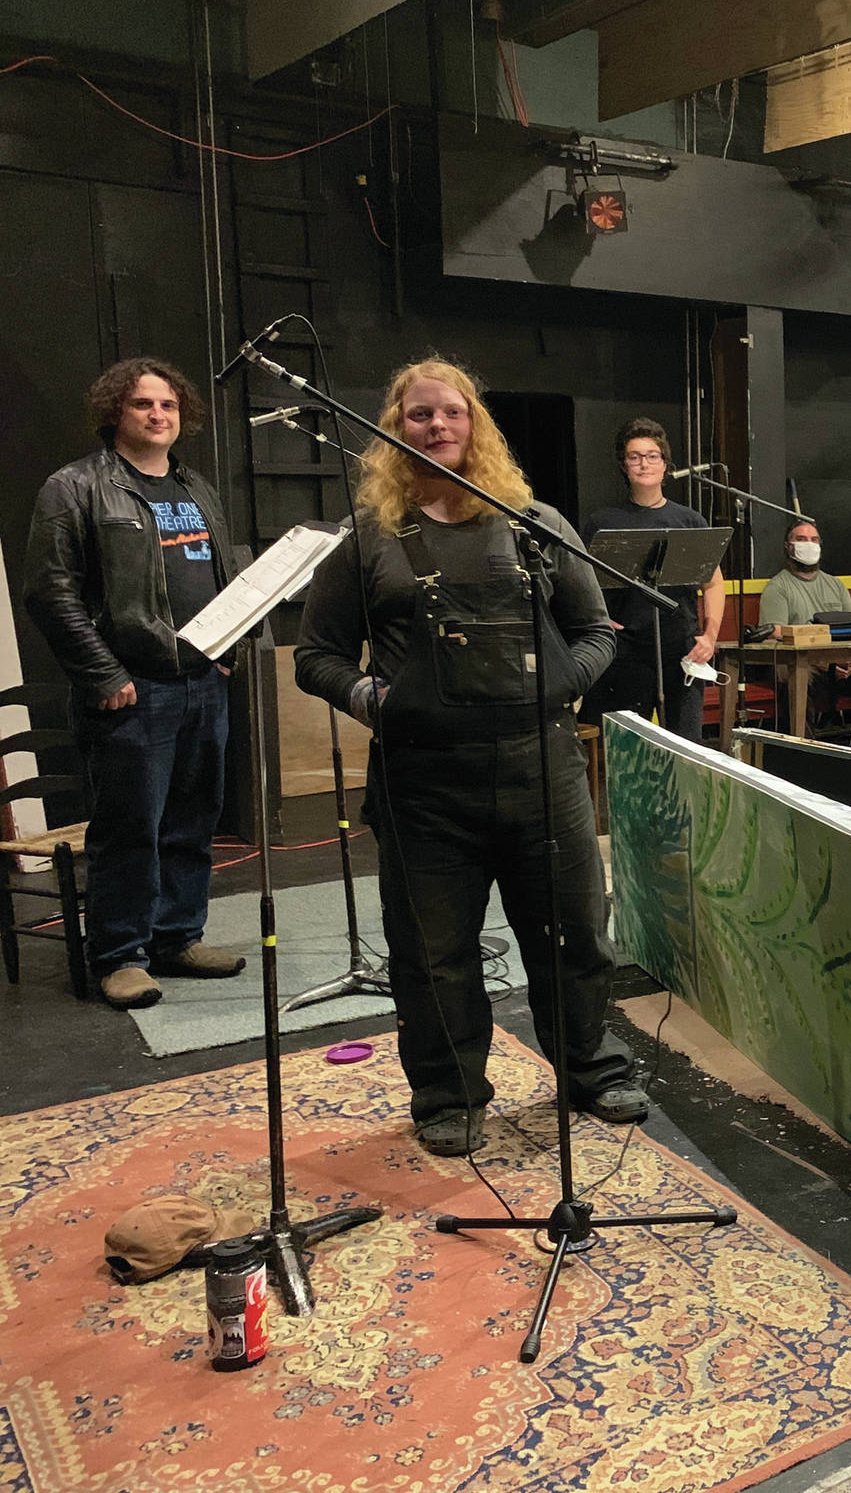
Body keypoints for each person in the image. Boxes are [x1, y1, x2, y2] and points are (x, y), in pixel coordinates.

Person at [294, 359, 646, 1157]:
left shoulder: (534, 522)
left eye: (451, 413)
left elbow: (596, 634)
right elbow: (315, 655)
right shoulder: (368, 540)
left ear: (474, 423)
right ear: (395, 428)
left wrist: (565, 685)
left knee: (575, 936)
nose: (436, 427)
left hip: (543, 771)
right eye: (419, 415)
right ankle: (449, 1093)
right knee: (432, 953)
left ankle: (592, 1069)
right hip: (423, 785)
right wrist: (371, 700)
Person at [24, 358, 246, 1010]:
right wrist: (102, 673)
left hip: (201, 683)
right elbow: (50, 592)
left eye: (169, 405)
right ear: (115, 411)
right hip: (130, 691)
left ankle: (176, 937)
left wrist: (224, 648)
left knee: (192, 821)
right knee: (129, 828)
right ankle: (119, 956)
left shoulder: (195, 487)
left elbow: (220, 574)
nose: (158, 415)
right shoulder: (75, 487)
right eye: (143, 404)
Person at [578, 418, 726, 740]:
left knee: (688, 748)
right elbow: (578, 582)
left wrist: (710, 636)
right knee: (627, 750)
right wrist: (598, 620)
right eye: (634, 456)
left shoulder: (690, 520)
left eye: (652, 455)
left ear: (665, 465)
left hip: (681, 651)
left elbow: (713, 582)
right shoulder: (601, 522)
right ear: (624, 465)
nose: (643, 463)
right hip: (624, 651)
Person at [758, 520, 851, 749]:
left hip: (844, 664)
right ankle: (808, 753)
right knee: (791, 675)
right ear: (787, 546)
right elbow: (774, 631)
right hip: (809, 666)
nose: (808, 544)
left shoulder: (835, 585)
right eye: (801, 539)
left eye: (814, 540)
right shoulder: (778, 587)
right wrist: (819, 659)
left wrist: (849, 658)